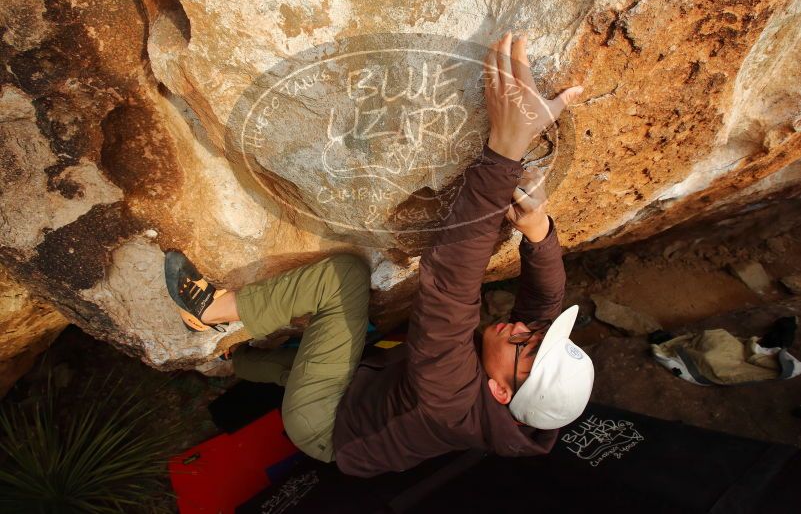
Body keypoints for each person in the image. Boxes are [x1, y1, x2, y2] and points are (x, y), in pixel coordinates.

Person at [164, 32, 593, 477]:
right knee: (300, 362)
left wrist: (505, 150)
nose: (522, 328)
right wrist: (538, 232)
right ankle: (236, 363)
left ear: (501, 393)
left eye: (526, 346)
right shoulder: (518, 386)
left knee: (342, 279)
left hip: (326, 425)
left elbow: (451, 279)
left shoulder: (448, 398)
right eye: (540, 335)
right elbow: (545, 302)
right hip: (373, 391)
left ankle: (213, 310)